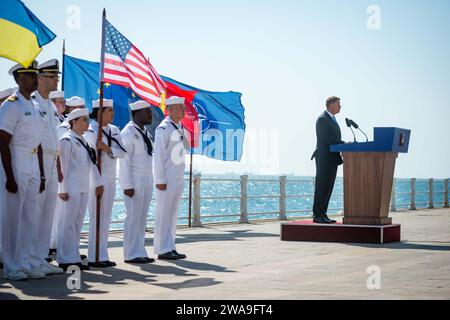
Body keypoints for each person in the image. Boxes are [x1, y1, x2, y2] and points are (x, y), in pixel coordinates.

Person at [0, 61, 46, 280]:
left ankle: (25, 261)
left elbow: (38, 143)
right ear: (19, 80)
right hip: (16, 161)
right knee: (12, 217)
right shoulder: (11, 105)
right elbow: (3, 142)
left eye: (36, 75)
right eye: (31, 76)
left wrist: (41, 173)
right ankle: (11, 266)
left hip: (32, 165)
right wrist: (9, 176)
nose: (36, 79)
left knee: (29, 216)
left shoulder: (35, 106)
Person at [56, 108, 104, 271]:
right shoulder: (66, 140)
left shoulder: (84, 140)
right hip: (70, 188)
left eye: (86, 119)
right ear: (73, 122)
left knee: (77, 224)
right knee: (66, 223)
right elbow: (63, 167)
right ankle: (64, 258)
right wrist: (62, 189)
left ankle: (73, 256)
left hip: (83, 187)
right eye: (83, 120)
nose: (87, 123)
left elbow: (92, 164)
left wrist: (98, 183)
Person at [29, 60, 64, 275]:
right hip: (37, 162)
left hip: (51, 162)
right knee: (34, 214)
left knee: (47, 215)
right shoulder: (33, 103)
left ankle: (40, 258)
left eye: (56, 77)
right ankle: (30, 259)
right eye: (52, 77)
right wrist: (41, 171)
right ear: (40, 78)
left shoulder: (50, 106)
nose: (56, 81)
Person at [84, 99, 125, 267]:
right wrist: (97, 182)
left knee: (106, 218)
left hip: (110, 178)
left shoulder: (114, 130)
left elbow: (122, 152)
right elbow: (91, 159)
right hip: (97, 179)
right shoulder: (91, 131)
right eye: (109, 110)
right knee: (96, 218)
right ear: (99, 112)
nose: (112, 114)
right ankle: (94, 256)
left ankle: (103, 254)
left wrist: (107, 149)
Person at [119, 100, 155, 264]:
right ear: (137, 113)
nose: (150, 115)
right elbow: (125, 161)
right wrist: (127, 185)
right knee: (133, 217)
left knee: (141, 218)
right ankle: (131, 253)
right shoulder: (128, 133)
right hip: (134, 180)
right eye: (147, 111)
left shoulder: (145, 132)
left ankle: (139, 250)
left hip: (146, 179)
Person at [153, 96, 189, 260]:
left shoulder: (179, 127)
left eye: (183, 107)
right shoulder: (163, 129)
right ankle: (162, 248)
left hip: (177, 176)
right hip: (166, 178)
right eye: (180, 108)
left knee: (172, 214)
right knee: (163, 213)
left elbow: (185, 148)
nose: (183, 110)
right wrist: (159, 179)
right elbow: (159, 156)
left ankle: (170, 246)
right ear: (170, 110)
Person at [311, 96, 345, 224]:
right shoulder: (322, 119)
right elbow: (326, 138)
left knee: (328, 187)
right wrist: (343, 143)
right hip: (324, 158)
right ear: (331, 105)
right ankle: (317, 215)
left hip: (333, 158)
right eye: (338, 104)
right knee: (321, 186)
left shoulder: (333, 119)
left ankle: (323, 214)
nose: (340, 107)